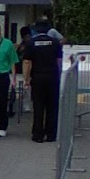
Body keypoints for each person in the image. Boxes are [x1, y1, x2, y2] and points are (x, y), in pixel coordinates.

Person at [27, 15, 65, 143]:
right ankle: (51, 135)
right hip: (52, 77)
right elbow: (59, 61)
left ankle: (38, 135)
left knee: (38, 106)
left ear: (36, 29)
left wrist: (27, 79)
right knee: (52, 107)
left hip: (37, 77)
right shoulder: (55, 42)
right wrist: (59, 76)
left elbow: (27, 62)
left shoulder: (31, 42)